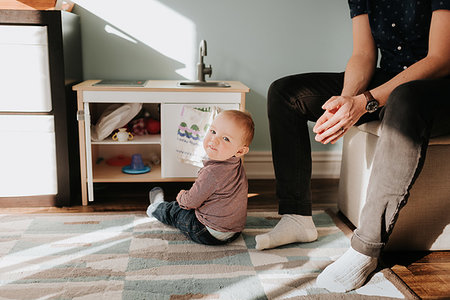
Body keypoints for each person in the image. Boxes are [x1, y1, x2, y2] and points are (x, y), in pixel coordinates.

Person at [256, 0, 450, 292]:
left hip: (438, 87)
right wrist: (346, 100)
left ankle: (366, 248)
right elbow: (363, 53)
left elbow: (440, 58)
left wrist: (364, 102)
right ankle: (296, 216)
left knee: (404, 98)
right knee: (286, 94)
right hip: (391, 82)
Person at [147, 110, 255, 245]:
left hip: (207, 232)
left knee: (177, 210)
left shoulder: (212, 173)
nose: (214, 140)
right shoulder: (236, 164)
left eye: (225, 138)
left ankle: (155, 207)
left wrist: (182, 197)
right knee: (197, 204)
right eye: (213, 131)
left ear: (240, 151)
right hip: (234, 231)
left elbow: (191, 201)